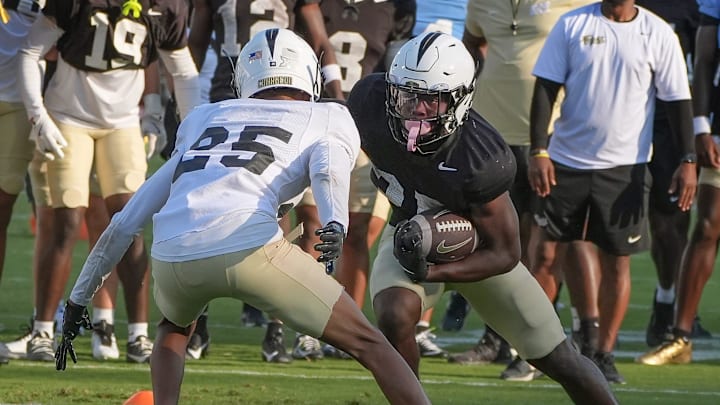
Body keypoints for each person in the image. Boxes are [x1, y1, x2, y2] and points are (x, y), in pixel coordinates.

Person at [55, 28, 431, 405]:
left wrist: (77, 300)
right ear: (309, 74)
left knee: (173, 326)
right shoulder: (328, 114)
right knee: (372, 345)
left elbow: (125, 222)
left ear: (243, 80)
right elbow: (327, 168)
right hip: (250, 250)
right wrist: (336, 223)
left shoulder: (204, 117)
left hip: (174, 256)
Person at [347, 31, 617, 404]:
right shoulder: (368, 103)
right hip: (408, 232)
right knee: (394, 314)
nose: (416, 109)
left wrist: (435, 272)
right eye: (407, 95)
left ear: (459, 100)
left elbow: (506, 252)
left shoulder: (481, 158)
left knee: (559, 358)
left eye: (432, 100)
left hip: (478, 248)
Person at [16, 0, 201, 362]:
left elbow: (182, 72)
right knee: (65, 221)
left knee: (129, 224)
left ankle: (138, 334)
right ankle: (42, 329)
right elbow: (30, 52)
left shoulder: (163, 7)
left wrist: (189, 132)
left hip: (122, 123)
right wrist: (38, 116)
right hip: (68, 115)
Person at [527, 0, 697, 383]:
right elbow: (545, 89)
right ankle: (537, 350)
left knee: (618, 260)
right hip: (566, 160)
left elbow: (677, 101)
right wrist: (539, 149)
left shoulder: (658, 32)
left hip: (626, 167)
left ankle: (602, 353)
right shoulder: (572, 25)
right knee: (546, 255)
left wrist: (688, 160)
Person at [186, 0, 345, 362]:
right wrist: (179, 100)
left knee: (276, 204)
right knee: (203, 204)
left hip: (281, 102)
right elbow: (196, 42)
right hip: (227, 99)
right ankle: (199, 324)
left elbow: (320, 41)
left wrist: (335, 97)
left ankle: (275, 327)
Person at [448, 0, 597, 382]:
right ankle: (493, 338)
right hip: (490, 135)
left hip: (550, 138)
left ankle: (542, 342)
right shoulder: (481, 3)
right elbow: (472, 49)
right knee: (490, 240)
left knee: (540, 245)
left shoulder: (576, 4)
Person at [289, 0, 434, 361]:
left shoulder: (397, 7)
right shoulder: (314, 6)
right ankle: (306, 327)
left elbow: (399, 68)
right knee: (313, 227)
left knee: (357, 232)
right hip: (315, 121)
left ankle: (346, 328)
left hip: (366, 128)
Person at [636, 0, 720, 365]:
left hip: (672, 125)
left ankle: (673, 316)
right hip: (706, 127)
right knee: (705, 224)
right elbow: (704, 64)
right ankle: (678, 333)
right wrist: (701, 126)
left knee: (688, 224)